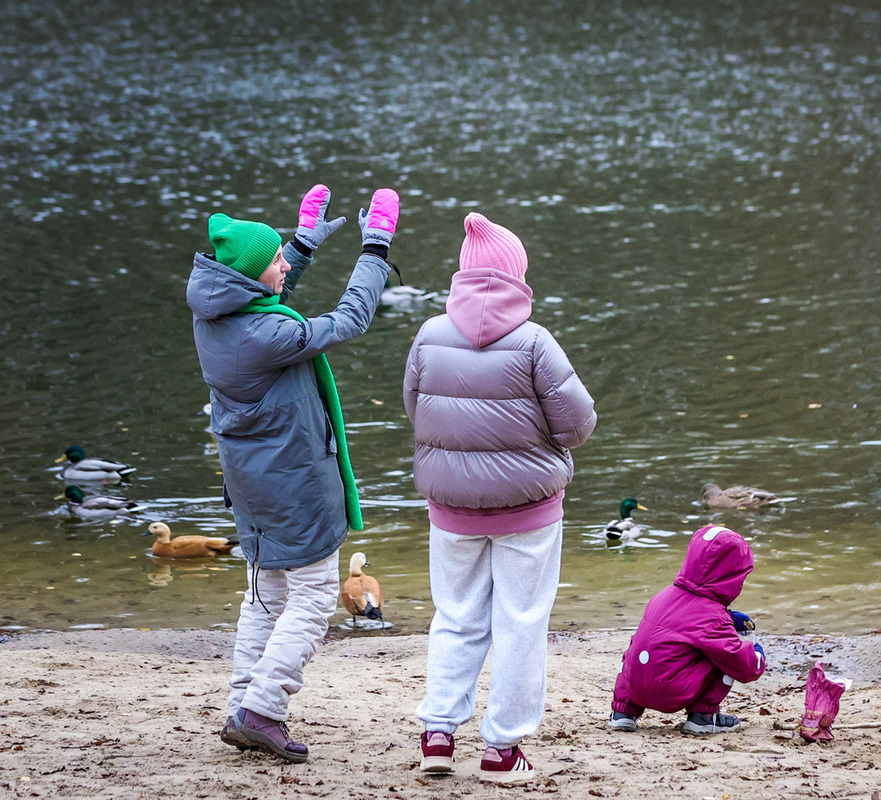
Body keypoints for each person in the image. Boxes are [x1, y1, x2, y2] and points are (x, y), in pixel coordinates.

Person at [186, 184, 399, 761]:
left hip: (251, 486)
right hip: (294, 488)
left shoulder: (216, 318)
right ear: (251, 275)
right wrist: (375, 250)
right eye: (277, 258)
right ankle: (263, 709)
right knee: (312, 599)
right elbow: (349, 319)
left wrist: (302, 246)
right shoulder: (267, 336)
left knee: (264, 597)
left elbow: (264, 299)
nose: (283, 265)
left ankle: (242, 706)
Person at [404, 212, 596, 784]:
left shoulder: (429, 334)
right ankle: (502, 750)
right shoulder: (535, 341)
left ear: (463, 274)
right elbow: (578, 425)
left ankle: (438, 734)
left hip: (451, 509)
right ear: (517, 276)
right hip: (528, 509)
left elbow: (417, 410)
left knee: (455, 615)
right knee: (520, 622)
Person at [608, 524, 766, 735]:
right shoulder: (712, 616)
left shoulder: (663, 596)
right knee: (722, 657)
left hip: (634, 687)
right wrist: (756, 652)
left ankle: (623, 713)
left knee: (641, 644)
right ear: (731, 576)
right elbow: (744, 668)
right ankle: (703, 717)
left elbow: (687, 625)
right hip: (670, 692)